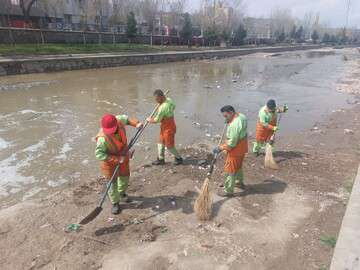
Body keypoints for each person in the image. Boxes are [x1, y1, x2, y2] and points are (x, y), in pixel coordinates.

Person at [95, 114, 143, 214]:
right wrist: (116, 159)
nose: (110, 132)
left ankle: (121, 194)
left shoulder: (119, 120)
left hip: (124, 156)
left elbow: (128, 120)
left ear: (116, 124)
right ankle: (115, 203)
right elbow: (99, 154)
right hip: (109, 163)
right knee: (112, 184)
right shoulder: (102, 139)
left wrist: (137, 124)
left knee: (125, 177)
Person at [213, 105, 248, 197]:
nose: (225, 118)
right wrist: (229, 120)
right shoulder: (241, 116)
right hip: (243, 147)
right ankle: (239, 182)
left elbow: (231, 143)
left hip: (235, 150)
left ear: (231, 113)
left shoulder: (234, 125)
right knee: (238, 166)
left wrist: (220, 148)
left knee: (230, 170)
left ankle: (228, 190)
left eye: (226, 116)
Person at [147, 89, 183, 165]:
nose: (156, 101)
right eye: (155, 99)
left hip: (168, 129)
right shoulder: (169, 100)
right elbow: (174, 106)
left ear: (161, 96)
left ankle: (179, 158)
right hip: (167, 125)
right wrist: (161, 104)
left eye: (157, 99)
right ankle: (161, 159)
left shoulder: (163, 108)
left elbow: (157, 120)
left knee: (169, 145)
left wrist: (149, 120)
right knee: (160, 142)